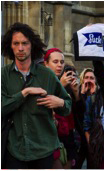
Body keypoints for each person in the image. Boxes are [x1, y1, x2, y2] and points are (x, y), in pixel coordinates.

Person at [1, 22, 72, 169]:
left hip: (43, 150)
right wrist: (24, 93)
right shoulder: (3, 75)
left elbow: (67, 106)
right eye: (16, 43)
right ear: (10, 46)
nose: (21, 48)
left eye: (25, 43)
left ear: (31, 45)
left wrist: (60, 103)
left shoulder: (47, 75)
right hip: (15, 149)